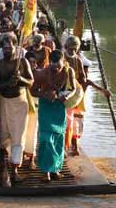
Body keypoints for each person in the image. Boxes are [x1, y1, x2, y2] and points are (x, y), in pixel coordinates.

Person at [0, 33, 33, 186]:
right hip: (3, 102)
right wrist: (8, 83)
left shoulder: (23, 62)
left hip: (20, 102)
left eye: (10, 47)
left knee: (19, 135)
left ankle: (15, 170)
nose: (7, 50)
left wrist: (20, 79)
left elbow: (30, 82)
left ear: (16, 46)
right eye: (4, 47)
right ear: (1, 49)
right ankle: (2, 168)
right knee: (4, 135)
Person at [30, 50, 76, 181]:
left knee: (58, 138)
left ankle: (55, 169)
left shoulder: (69, 72)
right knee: (46, 138)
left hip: (59, 106)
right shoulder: (42, 73)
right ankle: (46, 171)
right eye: (53, 65)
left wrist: (66, 95)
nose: (55, 68)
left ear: (63, 62)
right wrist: (45, 95)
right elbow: (33, 91)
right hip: (46, 106)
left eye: (58, 65)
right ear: (49, 63)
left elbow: (73, 89)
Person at [63, 35, 86, 155]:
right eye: (70, 49)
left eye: (75, 49)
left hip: (77, 94)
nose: (72, 51)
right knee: (67, 121)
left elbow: (83, 78)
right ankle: (66, 146)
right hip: (65, 93)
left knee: (77, 121)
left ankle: (75, 146)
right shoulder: (62, 59)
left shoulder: (78, 60)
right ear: (65, 47)